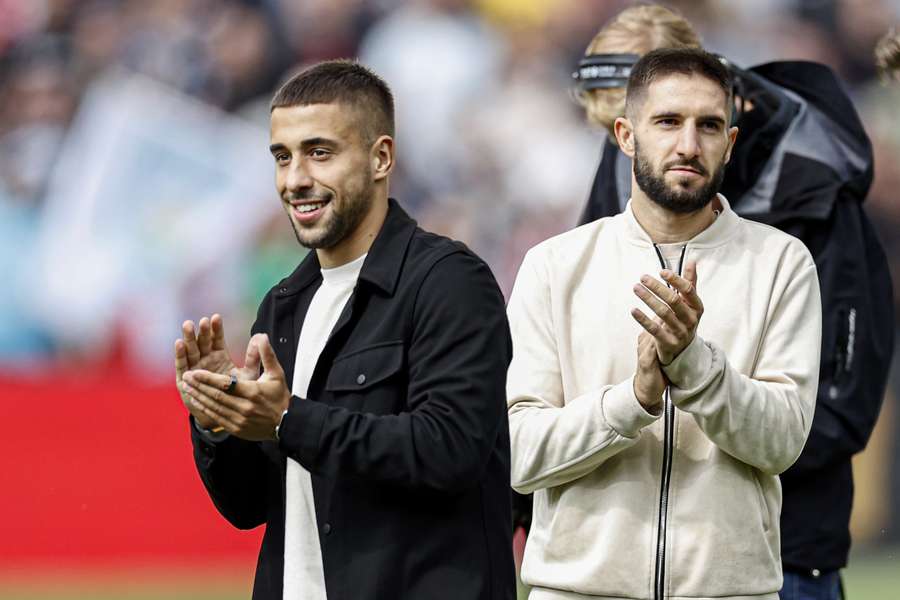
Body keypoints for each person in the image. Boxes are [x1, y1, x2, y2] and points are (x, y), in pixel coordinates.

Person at [571, 7, 894, 599]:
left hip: (781, 548)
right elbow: (583, 354)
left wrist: (707, 459)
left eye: (672, 121)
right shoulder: (623, 166)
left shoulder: (816, 193)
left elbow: (841, 402)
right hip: (632, 550)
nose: (651, 151)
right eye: (626, 133)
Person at [174, 60, 516, 600]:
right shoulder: (283, 304)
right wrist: (222, 419)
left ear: (381, 157)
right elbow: (247, 507)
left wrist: (287, 418)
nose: (295, 179)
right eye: (282, 157)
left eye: (320, 152)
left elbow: (450, 450)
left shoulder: (450, 281)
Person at [506, 48, 822, 600]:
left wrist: (693, 365)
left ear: (731, 141)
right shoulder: (555, 264)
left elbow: (783, 443)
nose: (688, 144)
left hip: (732, 590)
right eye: (668, 121)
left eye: (709, 125)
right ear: (626, 135)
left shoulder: (782, 262)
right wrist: (635, 398)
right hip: (577, 590)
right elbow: (518, 455)